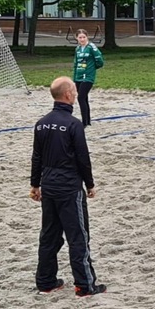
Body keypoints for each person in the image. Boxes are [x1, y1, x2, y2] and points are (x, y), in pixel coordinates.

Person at [30, 77, 106, 297]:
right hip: (69, 187)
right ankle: (85, 285)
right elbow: (83, 158)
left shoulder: (41, 122)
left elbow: (36, 157)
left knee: (49, 235)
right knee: (78, 237)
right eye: (73, 89)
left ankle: (45, 281)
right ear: (67, 95)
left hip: (49, 185)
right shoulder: (73, 124)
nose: (75, 92)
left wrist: (35, 184)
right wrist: (89, 184)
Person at [72, 30, 105, 126]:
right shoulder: (77, 49)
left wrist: (92, 68)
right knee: (84, 98)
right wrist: (74, 78)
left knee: (81, 97)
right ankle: (88, 121)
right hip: (79, 76)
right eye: (80, 37)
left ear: (87, 37)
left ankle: (84, 122)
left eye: (84, 37)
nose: (82, 39)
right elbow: (76, 63)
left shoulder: (91, 47)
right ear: (77, 38)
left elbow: (100, 61)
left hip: (88, 77)